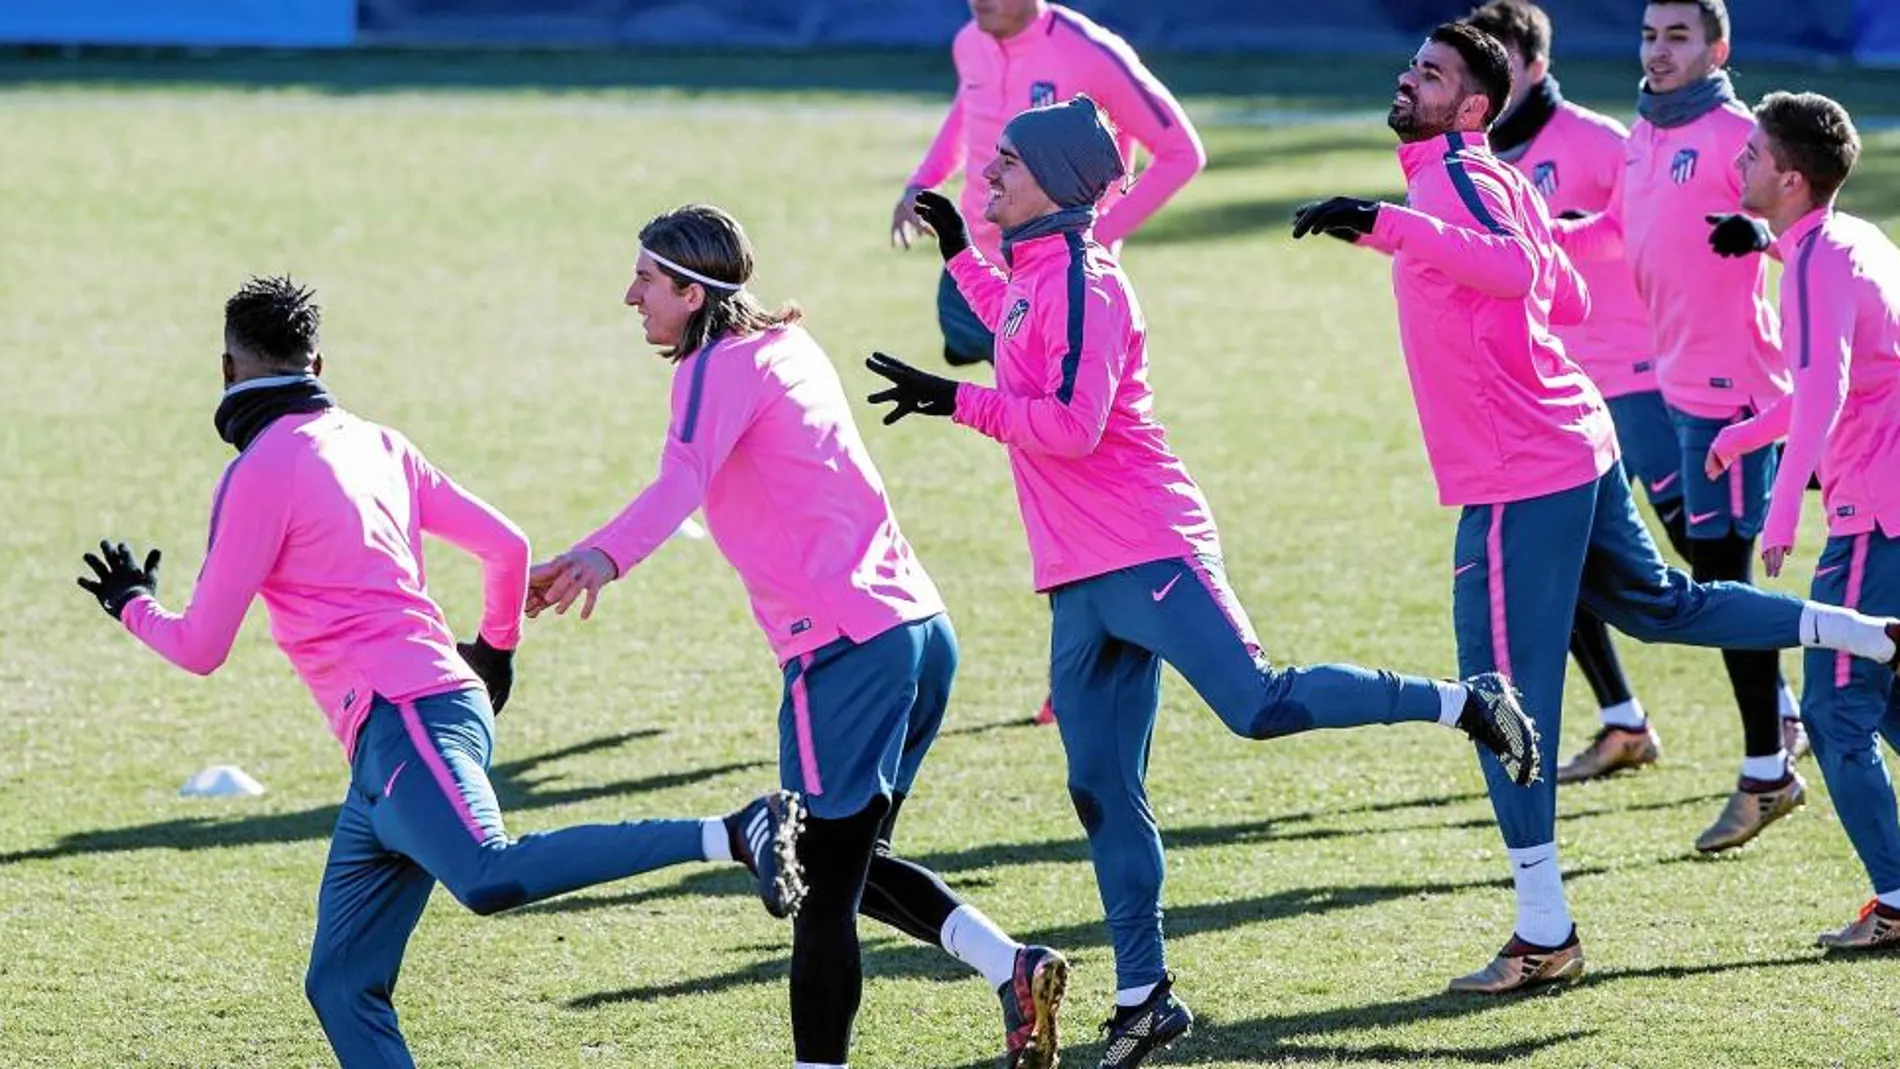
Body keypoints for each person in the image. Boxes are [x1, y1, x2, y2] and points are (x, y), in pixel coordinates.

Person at [865, 93, 1542, 1068]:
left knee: (1256, 704)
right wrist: (952, 253)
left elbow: (1070, 424)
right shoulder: (1031, 270)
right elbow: (1011, 326)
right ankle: (1146, 998)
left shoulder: (1087, 284)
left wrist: (951, 401)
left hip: (1147, 547)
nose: (989, 173)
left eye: (1007, 162)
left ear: (1054, 181)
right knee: (1099, 789)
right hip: (1078, 574)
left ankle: (1466, 703)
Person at [1288, 22, 1900, 992]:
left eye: (1431, 74)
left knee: (1499, 703)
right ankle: (1865, 631)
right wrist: (1400, 235)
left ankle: (1544, 934)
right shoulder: (1485, 174)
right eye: (1412, 66)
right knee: (1666, 604)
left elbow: (1527, 276)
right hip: (1577, 444)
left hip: (1518, 473)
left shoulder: (1452, 179)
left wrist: (1386, 223)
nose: (1409, 80)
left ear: (1474, 106)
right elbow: (1566, 295)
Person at [71, 276, 801, 1069]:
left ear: (226, 370)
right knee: (341, 979)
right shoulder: (379, 442)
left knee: (487, 874)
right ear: (317, 358)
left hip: (406, 718)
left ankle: (733, 830)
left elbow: (200, 646)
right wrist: (494, 651)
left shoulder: (256, 472)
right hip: (393, 742)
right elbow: (508, 546)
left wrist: (132, 603)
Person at [524, 205, 1069, 1069]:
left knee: (818, 888)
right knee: (846, 860)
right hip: (919, 631)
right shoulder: (788, 345)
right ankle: (1013, 966)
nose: (631, 296)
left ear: (695, 293)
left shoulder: (711, 367)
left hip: (845, 651)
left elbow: (680, 482)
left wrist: (600, 556)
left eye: (647, 280)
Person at [1552, 0, 1808, 849]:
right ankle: (1784, 731)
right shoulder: (1646, 131)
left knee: (1725, 590)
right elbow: (1621, 236)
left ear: (1717, 47)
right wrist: (1534, 240)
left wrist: (1761, 236)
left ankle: (1769, 767)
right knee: (1717, 584)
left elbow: (1807, 235)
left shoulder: (1742, 131)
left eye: (1678, 38)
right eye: (1649, 35)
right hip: (1678, 386)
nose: (1658, 52)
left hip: (1733, 393)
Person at [1462, 0, 1696, 784]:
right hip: (1554, 390)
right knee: (1551, 569)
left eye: (1501, 59)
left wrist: (1545, 235)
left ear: (1535, 66)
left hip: (1636, 378)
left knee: (1689, 568)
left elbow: (1642, 228)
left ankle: (1783, 716)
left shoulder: (1598, 140)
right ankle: (1624, 722)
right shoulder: (1482, 155)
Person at [1702, 91, 1900, 951]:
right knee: (1884, 701)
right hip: (1885, 499)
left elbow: (1825, 388)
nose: (1737, 164)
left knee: (1833, 711)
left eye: (1749, 153)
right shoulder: (1852, 241)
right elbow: (1847, 375)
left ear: (1788, 178)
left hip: (1875, 515)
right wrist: (1749, 432)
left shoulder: (1818, 259)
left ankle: (1896, 903)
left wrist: (1782, 511)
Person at [892, 0, 1205, 368]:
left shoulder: (1091, 55)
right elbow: (968, 113)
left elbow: (1182, 153)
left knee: (1042, 417)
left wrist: (1096, 237)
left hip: (1054, 291)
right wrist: (921, 183)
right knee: (994, 398)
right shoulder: (969, 42)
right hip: (973, 274)